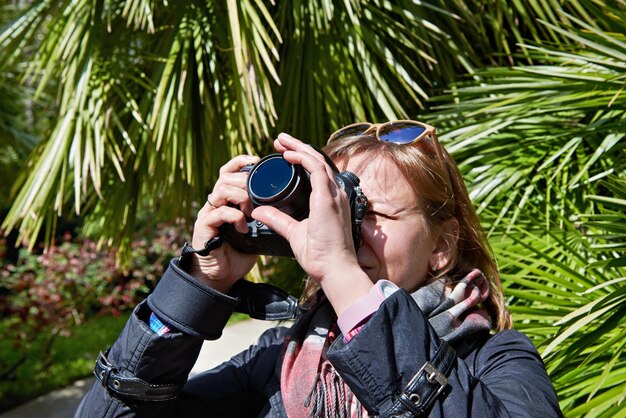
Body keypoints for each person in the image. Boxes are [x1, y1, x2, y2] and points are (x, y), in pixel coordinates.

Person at [75, 121, 562, 417]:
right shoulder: (280, 362)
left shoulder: (496, 360)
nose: (344, 231)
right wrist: (196, 288)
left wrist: (344, 277)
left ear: (442, 246)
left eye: (371, 215)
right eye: (336, 209)